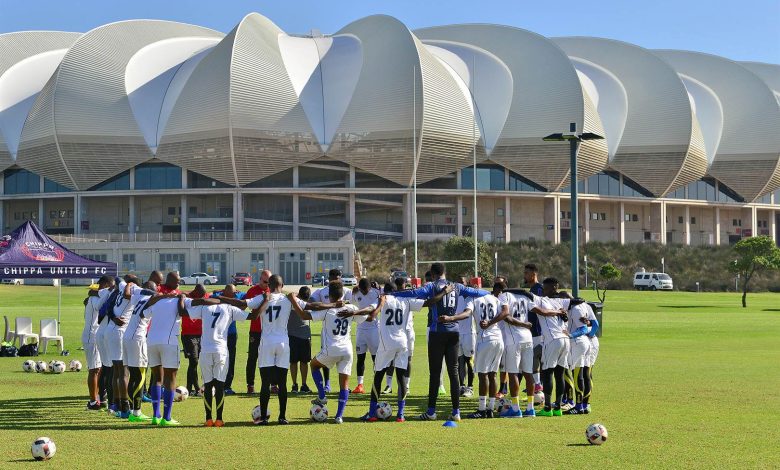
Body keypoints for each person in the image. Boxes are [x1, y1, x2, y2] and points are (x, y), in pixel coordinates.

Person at [391, 263, 488, 422]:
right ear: (444, 272)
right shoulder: (456, 286)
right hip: (454, 333)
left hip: (437, 332)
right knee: (454, 372)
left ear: (434, 274)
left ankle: (431, 412)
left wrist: (393, 294)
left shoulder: (432, 286)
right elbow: (477, 292)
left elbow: (414, 293)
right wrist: (492, 293)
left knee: (435, 373)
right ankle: (456, 412)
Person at [183, 292, 261, 427]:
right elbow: (253, 316)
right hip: (221, 351)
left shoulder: (204, 307)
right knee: (219, 385)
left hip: (206, 351)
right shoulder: (229, 308)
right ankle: (219, 419)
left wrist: (182, 299)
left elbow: (184, 312)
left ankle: (208, 419)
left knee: (208, 385)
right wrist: (264, 302)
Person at [290, 281, 360, 424]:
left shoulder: (328, 310)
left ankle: (322, 395)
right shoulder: (351, 307)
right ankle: (339, 416)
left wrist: (293, 300)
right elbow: (367, 318)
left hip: (332, 349)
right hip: (347, 350)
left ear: (329, 296)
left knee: (314, 365)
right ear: (342, 294)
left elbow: (304, 316)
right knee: (344, 384)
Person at [361, 282, 424, 422]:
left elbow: (371, 314)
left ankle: (372, 413)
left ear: (386, 291)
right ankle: (401, 414)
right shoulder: (405, 299)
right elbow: (426, 303)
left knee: (378, 376)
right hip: (402, 342)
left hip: (386, 344)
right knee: (401, 379)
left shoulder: (383, 299)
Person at [441, 283, 507, 418]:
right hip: (498, 339)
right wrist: (492, 322)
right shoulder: (493, 298)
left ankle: (482, 409)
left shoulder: (473, 299)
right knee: (493, 375)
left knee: (483, 375)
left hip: (484, 339)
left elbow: (466, 314)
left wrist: (451, 318)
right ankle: (490, 408)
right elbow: (505, 312)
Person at [141, 292, 188, 426]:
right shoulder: (179, 299)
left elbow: (143, 314)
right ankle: (166, 418)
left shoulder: (157, 301)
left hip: (151, 340)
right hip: (169, 341)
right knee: (170, 378)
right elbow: (184, 312)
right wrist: (182, 298)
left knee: (157, 378)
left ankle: (156, 416)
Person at [531, 278, 572, 417]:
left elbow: (526, 294)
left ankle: (548, 408)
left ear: (554, 287)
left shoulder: (542, 300)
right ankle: (558, 408)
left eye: (545, 287)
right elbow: (577, 300)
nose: (543, 290)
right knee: (559, 374)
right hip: (565, 340)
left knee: (547, 372)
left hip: (553, 340)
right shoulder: (562, 301)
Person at [122, 280, 161, 423]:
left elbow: (127, 294)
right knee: (140, 375)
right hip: (137, 338)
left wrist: (129, 284)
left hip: (127, 336)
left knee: (133, 375)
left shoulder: (138, 296)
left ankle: (133, 409)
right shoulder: (152, 300)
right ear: (153, 290)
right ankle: (137, 412)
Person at [496, 282, 536, 417]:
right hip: (528, 338)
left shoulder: (504, 296)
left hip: (514, 339)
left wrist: (523, 324)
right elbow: (536, 309)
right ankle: (530, 408)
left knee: (513, 373)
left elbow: (507, 317)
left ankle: (515, 408)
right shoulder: (523, 297)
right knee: (528, 373)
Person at [106, 275, 144, 418]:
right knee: (123, 372)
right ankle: (125, 408)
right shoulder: (135, 289)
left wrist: (125, 284)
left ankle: (116, 405)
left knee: (117, 371)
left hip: (112, 329)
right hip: (120, 331)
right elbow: (131, 293)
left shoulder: (122, 286)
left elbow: (117, 278)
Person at [309, 269, 352, 392]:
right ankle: (327, 383)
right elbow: (312, 302)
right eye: (333, 277)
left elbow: (353, 299)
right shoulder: (322, 291)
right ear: (329, 277)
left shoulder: (346, 291)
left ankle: (342, 386)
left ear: (340, 277)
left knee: (341, 360)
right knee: (324, 356)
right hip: (327, 328)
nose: (335, 279)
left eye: (337, 277)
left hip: (342, 329)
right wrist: (327, 306)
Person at [82, 276, 114, 410]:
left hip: (97, 336)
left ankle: (98, 398)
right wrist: (104, 293)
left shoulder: (96, 295)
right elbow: (98, 306)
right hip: (92, 336)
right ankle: (93, 401)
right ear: (105, 284)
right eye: (110, 286)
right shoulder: (95, 297)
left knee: (99, 369)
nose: (111, 289)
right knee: (94, 369)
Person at [212, 284, 244, 395]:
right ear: (225, 292)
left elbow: (247, 297)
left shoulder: (238, 295)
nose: (235, 295)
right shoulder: (216, 296)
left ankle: (228, 386)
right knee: (218, 359)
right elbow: (211, 295)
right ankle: (215, 384)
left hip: (231, 334)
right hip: (218, 334)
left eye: (235, 293)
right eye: (232, 293)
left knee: (231, 359)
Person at [245, 269, 271, 394]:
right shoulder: (252, 291)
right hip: (255, 330)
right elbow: (246, 306)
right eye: (265, 281)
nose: (267, 284)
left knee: (270, 357)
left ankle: (273, 384)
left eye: (269, 282)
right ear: (260, 279)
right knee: (252, 357)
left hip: (269, 330)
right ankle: (250, 384)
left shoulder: (273, 291)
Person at [352, 278, 381, 394]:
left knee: (375, 358)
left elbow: (370, 309)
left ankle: (376, 384)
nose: (364, 292)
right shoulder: (356, 292)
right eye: (362, 290)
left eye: (366, 290)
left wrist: (355, 313)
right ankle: (360, 385)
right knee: (360, 358)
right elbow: (352, 302)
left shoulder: (375, 293)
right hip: (360, 329)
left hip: (373, 330)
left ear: (370, 288)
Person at [182, 284, 208, 397]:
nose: (203, 297)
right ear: (195, 291)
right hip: (188, 335)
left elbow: (212, 295)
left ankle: (190, 388)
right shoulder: (186, 298)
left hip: (201, 334)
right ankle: (195, 388)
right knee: (194, 361)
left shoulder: (204, 296)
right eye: (201, 295)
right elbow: (180, 294)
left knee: (195, 362)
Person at [523, 264, 544, 393]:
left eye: (526, 273)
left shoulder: (539, 289)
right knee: (532, 363)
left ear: (533, 275)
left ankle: (538, 389)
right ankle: (536, 388)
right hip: (530, 332)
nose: (524, 275)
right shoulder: (531, 290)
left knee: (536, 362)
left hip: (538, 332)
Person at [288, 286, 313, 394]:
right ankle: (297, 384)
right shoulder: (294, 302)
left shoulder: (298, 302)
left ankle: (300, 385)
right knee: (297, 362)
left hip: (300, 335)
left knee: (301, 362)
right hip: (297, 335)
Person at [455, 276, 476, 398]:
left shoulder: (470, 296)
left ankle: (470, 387)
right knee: (459, 361)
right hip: (457, 333)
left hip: (469, 333)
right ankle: (461, 386)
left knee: (469, 360)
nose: (460, 286)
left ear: (466, 283)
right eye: (458, 283)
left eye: (462, 283)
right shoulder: (454, 297)